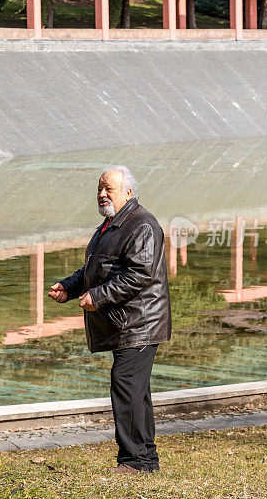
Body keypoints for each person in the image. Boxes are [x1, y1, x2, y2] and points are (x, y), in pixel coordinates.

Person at [48, 166, 171, 474]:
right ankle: (145, 460)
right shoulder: (110, 226)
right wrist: (70, 286)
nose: (102, 194)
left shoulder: (141, 224)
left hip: (141, 323)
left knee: (126, 385)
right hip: (124, 323)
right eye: (99, 189)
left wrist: (98, 297)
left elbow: (139, 275)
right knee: (135, 391)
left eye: (109, 189)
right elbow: (95, 270)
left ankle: (133, 462)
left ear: (128, 192)